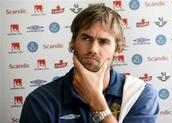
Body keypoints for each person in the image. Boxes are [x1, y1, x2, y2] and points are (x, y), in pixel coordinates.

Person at [20, 4, 159, 123]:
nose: (93, 49)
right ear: (73, 41)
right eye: (86, 38)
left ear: (118, 49)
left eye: (103, 42)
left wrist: (96, 101)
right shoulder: (40, 101)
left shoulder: (140, 94)